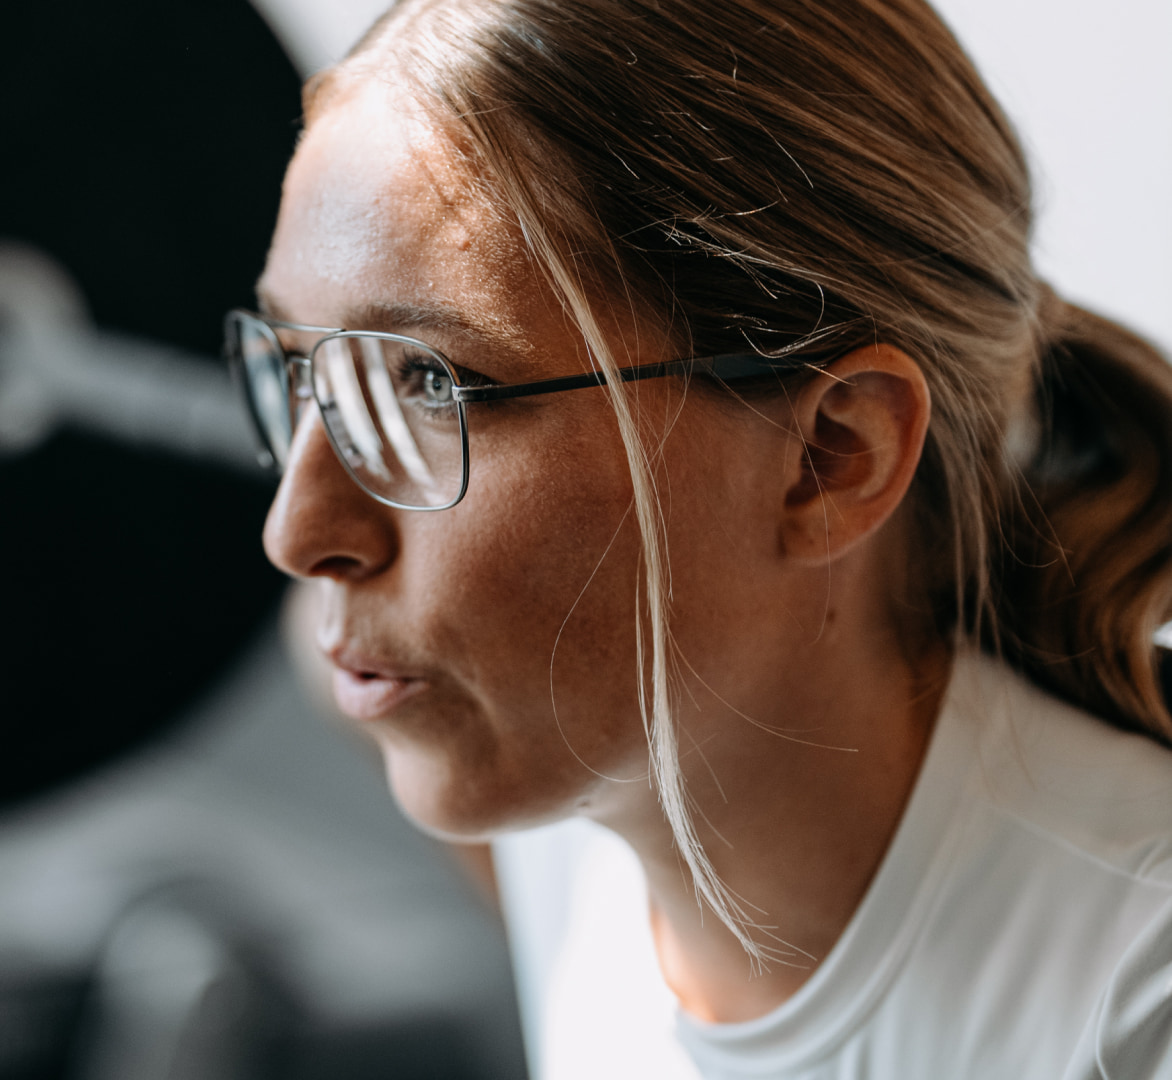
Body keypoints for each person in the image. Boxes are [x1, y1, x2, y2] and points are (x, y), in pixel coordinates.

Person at [225, 0, 1172, 1075]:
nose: (296, 531)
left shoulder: (1135, 1003)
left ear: (831, 456)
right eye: (300, 371)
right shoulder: (579, 806)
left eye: (434, 387)